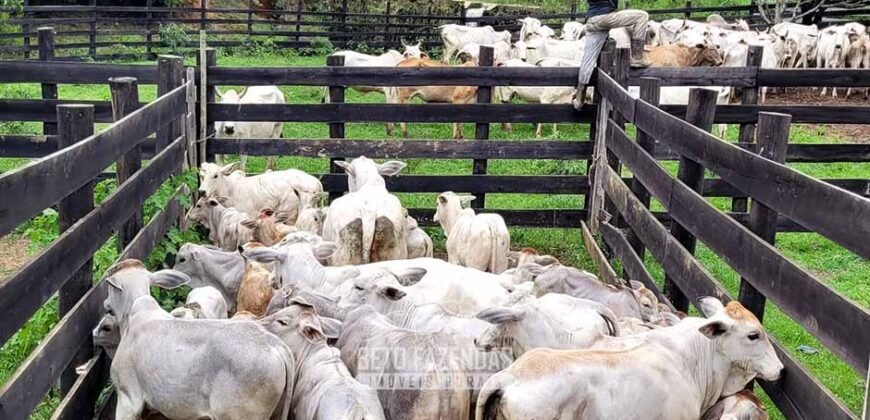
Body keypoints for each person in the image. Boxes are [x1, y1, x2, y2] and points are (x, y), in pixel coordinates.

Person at [574, 0, 650, 110]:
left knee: (588, 60)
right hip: (606, 17)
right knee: (642, 16)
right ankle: (637, 57)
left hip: (591, 21)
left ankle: (579, 99)